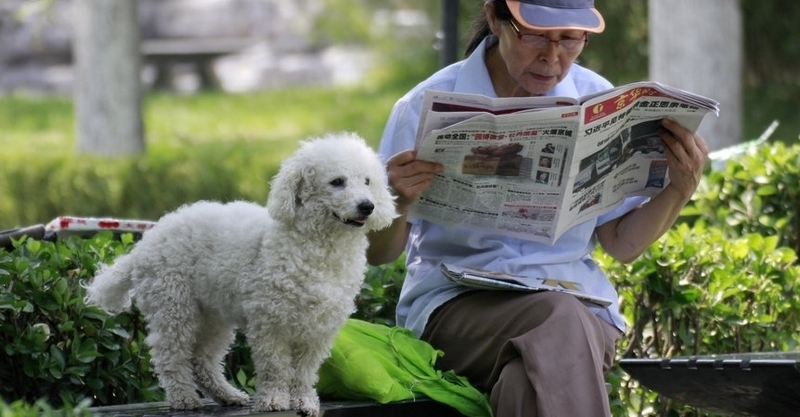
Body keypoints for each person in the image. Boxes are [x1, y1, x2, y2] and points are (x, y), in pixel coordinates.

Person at [366, 1, 709, 416]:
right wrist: (398, 201)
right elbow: (377, 253)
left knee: (524, 380)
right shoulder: (424, 105)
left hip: (578, 308)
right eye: (534, 37)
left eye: (569, 39)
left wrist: (677, 191)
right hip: (458, 309)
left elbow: (621, 244)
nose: (552, 57)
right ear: (495, 19)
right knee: (559, 319)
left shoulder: (597, 99)